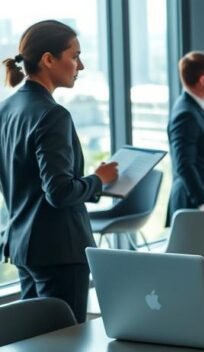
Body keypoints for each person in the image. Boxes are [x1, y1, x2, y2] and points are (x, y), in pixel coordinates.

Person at [0, 20, 119, 323]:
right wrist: (98, 180)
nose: (82, 65)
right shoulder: (53, 115)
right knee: (66, 343)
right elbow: (60, 192)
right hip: (59, 251)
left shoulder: (7, 108)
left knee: (35, 343)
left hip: (22, 245)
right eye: (75, 56)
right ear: (48, 59)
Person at [165, 51, 204, 227]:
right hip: (194, 203)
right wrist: (203, 201)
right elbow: (184, 164)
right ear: (203, 80)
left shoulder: (198, 108)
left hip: (202, 200)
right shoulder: (186, 114)